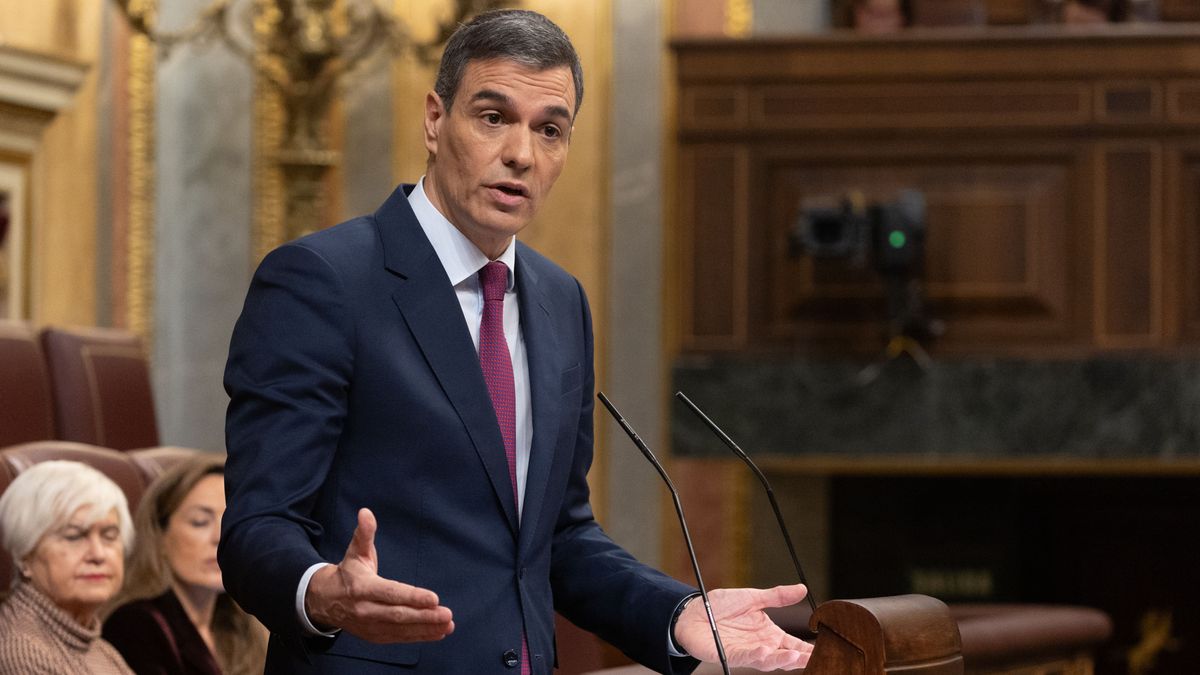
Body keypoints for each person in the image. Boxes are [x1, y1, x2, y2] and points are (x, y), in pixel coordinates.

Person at [220, 9, 813, 674]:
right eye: (493, 116)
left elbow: (555, 537)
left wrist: (674, 614)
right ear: (435, 121)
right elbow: (256, 526)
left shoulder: (561, 301)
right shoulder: (324, 281)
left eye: (549, 130)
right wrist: (319, 592)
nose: (521, 154)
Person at [103, 455, 267, 674]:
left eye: (231, 523)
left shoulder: (240, 623)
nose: (220, 536)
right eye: (200, 522)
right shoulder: (134, 625)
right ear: (159, 535)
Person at [0, 460, 135, 674]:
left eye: (109, 536)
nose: (98, 554)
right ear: (24, 555)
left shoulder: (95, 645)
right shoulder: (23, 653)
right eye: (73, 537)